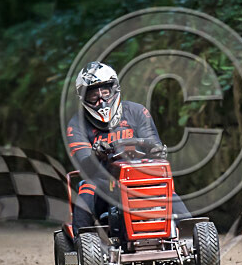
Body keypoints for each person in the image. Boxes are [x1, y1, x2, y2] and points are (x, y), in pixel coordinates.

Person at [66, 61, 190, 234]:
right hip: (103, 182)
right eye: (93, 95)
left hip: (139, 176)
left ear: (114, 89)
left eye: (105, 92)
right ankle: (82, 239)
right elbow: (84, 164)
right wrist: (97, 154)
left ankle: (188, 230)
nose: (101, 100)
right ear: (83, 97)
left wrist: (156, 151)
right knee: (86, 190)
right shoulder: (76, 124)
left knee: (165, 185)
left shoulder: (137, 112)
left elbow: (153, 145)